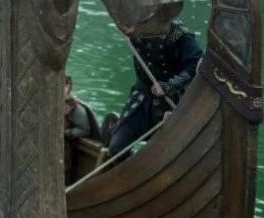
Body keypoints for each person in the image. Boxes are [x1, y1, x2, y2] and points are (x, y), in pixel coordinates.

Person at [108, 21, 203, 156]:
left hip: (170, 103)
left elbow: (195, 64)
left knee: (168, 154)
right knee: (117, 148)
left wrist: (170, 85)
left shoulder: (177, 33)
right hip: (140, 100)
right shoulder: (133, 25)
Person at [63, 76, 93, 184]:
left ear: (68, 86)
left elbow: (85, 129)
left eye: (63, 85)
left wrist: (67, 133)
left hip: (64, 146)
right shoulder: (51, 103)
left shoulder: (76, 109)